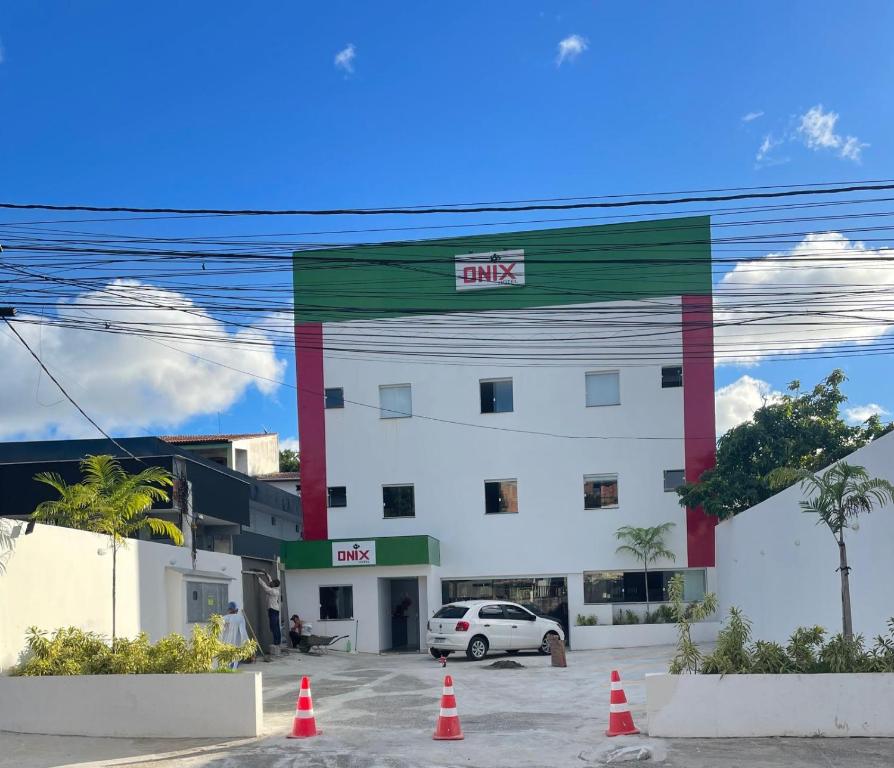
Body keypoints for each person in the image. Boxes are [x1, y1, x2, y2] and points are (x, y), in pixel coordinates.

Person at [255, 572, 282, 647]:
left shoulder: (273, 591)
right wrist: (267, 575)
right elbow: (270, 582)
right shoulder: (275, 588)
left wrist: (258, 578)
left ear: (274, 585)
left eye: (272, 583)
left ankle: (276, 643)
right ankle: (278, 642)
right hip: (274, 610)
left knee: (273, 627)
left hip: (273, 610)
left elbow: (265, 587)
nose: (270, 583)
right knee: (275, 626)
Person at [221, 601, 248, 669]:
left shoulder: (222, 619)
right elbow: (243, 633)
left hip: (224, 647)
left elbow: (219, 634)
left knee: (225, 667)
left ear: (228, 610)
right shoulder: (240, 618)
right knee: (234, 668)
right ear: (236, 610)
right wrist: (247, 645)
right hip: (235, 647)